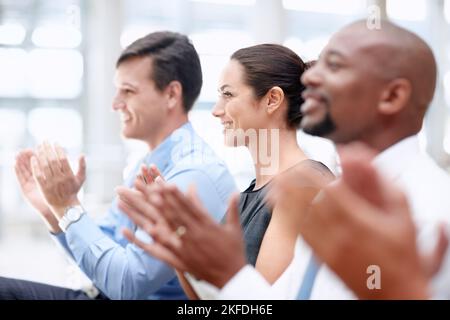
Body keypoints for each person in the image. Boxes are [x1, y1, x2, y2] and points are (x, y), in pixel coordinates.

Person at [118, 19, 450, 299]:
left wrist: (224, 269)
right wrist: (185, 243)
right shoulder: (334, 198)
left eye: (334, 65)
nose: (309, 78)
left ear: (392, 96)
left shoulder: (430, 207)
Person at [4, 31, 236, 300]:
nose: (116, 104)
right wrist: (53, 210)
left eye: (128, 91)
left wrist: (66, 205)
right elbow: (104, 252)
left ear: (171, 94)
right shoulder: (150, 162)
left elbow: (126, 285)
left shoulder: (193, 174)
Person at [117, 44, 333, 298]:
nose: (216, 110)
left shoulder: (303, 187)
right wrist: (176, 238)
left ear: (272, 99)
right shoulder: (246, 198)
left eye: (228, 95)